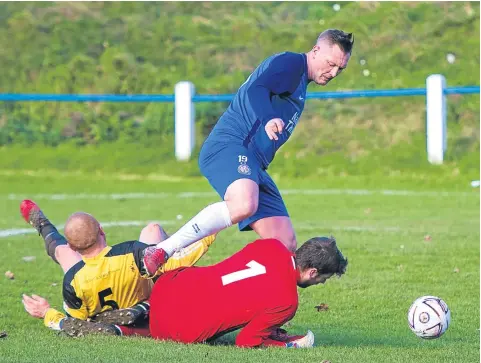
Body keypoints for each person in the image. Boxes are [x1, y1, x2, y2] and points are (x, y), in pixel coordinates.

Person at [142, 29, 354, 275]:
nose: (334, 73)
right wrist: (269, 117)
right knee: (243, 204)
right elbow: (257, 88)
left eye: (341, 69)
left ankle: (227, 291)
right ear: (316, 50)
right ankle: (162, 250)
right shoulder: (291, 63)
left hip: (254, 165)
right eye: (331, 64)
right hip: (230, 146)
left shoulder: (301, 82)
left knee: (284, 248)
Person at [20, 200, 216, 336]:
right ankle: (146, 304)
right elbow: (181, 258)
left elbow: (74, 322)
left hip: (92, 294)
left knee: (61, 252)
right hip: (142, 298)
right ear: (102, 230)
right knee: (153, 230)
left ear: (75, 247)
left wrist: (46, 312)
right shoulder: (131, 252)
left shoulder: (72, 280)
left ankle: (43, 224)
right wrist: (212, 226)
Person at [149, 236, 348, 348]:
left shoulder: (270, 244)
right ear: (313, 272)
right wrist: (290, 345)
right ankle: (135, 321)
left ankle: (141, 310)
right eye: (324, 278)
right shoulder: (288, 302)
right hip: (176, 330)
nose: (321, 283)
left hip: (169, 284)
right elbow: (245, 342)